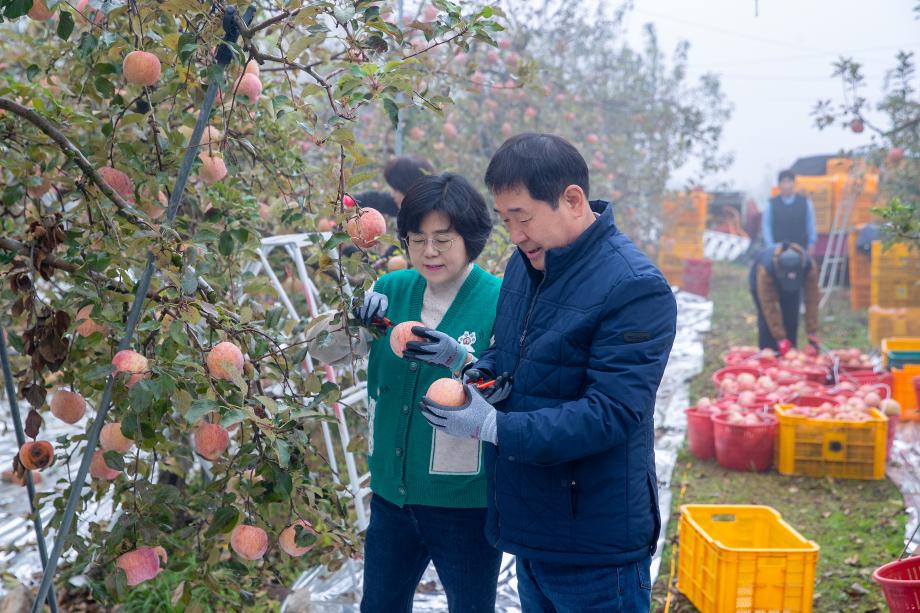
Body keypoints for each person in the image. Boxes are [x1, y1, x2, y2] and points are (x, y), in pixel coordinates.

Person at [419, 133, 677, 612]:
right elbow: (512, 354)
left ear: (573, 200)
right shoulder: (526, 266)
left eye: (523, 216)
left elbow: (612, 412)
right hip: (532, 528)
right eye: (505, 220)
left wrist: (494, 426)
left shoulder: (635, 288)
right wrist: (478, 374)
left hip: (595, 544)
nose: (515, 234)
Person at [352, 172, 506, 612]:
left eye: (443, 238)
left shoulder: (499, 300)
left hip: (463, 501)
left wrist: (460, 359)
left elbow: (509, 389)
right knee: (379, 605)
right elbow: (329, 353)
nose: (429, 252)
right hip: (391, 495)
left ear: (470, 237)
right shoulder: (391, 288)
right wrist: (351, 320)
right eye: (416, 239)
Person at [749, 242, 820, 355]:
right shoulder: (766, 269)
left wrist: (812, 331)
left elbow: (812, 299)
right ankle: (767, 358)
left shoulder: (808, 266)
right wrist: (780, 338)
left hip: (793, 289)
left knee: (791, 319)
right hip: (761, 284)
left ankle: (789, 356)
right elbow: (769, 305)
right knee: (767, 322)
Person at [762, 170, 817, 254]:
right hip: (778, 251)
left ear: (794, 184)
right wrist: (770, 247)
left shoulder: (805, 203)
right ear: (779, 185)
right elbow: (766, 226)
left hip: (801, 250)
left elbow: (810, 224)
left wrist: (811, 244)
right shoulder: (772, 204)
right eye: (784, 182)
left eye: (789, 181)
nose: (786, 185)